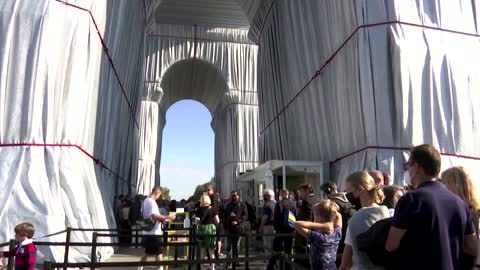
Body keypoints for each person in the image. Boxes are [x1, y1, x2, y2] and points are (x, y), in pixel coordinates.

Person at [385, 144, 478, 270]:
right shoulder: (459, 203)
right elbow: (472, 247)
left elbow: (391, 245)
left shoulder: (411, 200)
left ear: (416, 167)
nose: (407, 169)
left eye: (408, 165)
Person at [339, 171, 389, 270]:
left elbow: (346, 264)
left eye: (349, 192)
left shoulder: (355, 220)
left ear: (360, 189)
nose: (347, 197)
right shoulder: (387, 213)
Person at [441, 166, 480, 268]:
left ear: (456, 185)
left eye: (445, 183)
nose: (442, 188)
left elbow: (470, 248)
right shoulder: (468, 209)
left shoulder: (468, 211)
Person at [295, 200, 342, 270]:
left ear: (320, 218)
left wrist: (322, 226)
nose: (314, 219)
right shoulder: (336, 234)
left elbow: (296, 224)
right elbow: (339, 216)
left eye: (315, 217)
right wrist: (328, 208)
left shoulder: (319, 237)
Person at [138, 187, 176, 270]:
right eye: (159, 195)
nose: (159, 197)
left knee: (147, 253)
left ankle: (139, 268)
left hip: (147, 232)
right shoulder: (151, 202)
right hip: (154, 233)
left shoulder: (145, 201)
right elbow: (154, 216)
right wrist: (168, 217)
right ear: (156, 193)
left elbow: (145, 215)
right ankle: (160, 268)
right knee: (159, 253)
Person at [320, 182, 356, 265]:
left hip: (340, 238)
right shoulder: (347, 199)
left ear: (327, 191)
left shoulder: (333, 203)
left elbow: (330, 223)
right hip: (350, 236)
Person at [267, 189, 297, 270]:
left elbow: (276, 217)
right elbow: (296, 216)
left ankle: (271, 267)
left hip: (280, 230)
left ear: (283, 194)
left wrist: (276, 227)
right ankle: (288, 267)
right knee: (288, 250)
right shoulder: (293, 203)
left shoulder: (279, 203)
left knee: (276, 250)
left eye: (280, 194)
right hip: (290, 230)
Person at [294, 183, 321, 268]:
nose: (300, 194)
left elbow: (306, 221)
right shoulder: (318, 200)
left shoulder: (306, 202)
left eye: (301, 192)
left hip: (306, 238)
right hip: (317, 235)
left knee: (302, 263)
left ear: (307, 190)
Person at [195, 194, 220, 270]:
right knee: (211, 251)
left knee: (202, 251)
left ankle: (202, 268)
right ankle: (212, 267)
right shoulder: (213, 209)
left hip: (202, 230)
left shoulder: (198, 210)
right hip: (210, 230)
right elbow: (217, 221)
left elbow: (197, 222)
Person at [224, 190, 248, 267]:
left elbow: (245, 216)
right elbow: (225, 215)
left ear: (238, 196)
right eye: (232, 195)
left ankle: (236, 261)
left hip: (238, 228)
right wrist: (228, 222)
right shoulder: (228, 205)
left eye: (235, 195)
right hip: (229, 228)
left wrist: (238, 221)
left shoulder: (242, 205)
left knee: (236, 245)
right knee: (229, 246)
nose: (234, 197)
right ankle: (229, 261)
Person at [259, 189, 276, 255]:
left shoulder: (267, 205)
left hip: (268, 227)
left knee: (267, 245)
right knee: (273, 245)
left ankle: (268, 261)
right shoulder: (276, 204)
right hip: (275, 227)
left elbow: (265, 218)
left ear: (268, 196)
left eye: (264, 195)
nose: (263, 197)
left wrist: (261, 227)